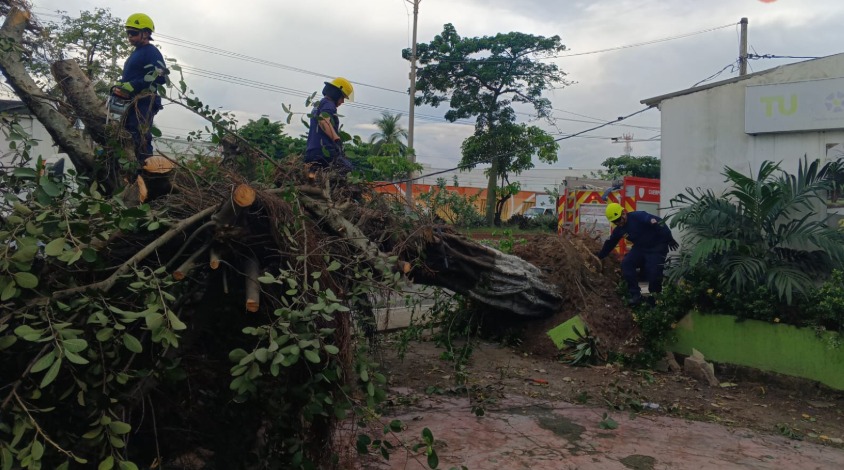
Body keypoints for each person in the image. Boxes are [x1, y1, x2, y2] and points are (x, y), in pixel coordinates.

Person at [595, 203, 679, 305]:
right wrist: (600, 256)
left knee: (652, 275)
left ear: (623, 213)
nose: (618, 223)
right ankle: (637, 295)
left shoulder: (638, 216)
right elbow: (610, 242)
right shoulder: (620, 229)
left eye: (618, 219)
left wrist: (668, 238)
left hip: (656, 249)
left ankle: (652, 301)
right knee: (627, 263)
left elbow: (658, 222)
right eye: (614, 222)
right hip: (640, 248)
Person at [111, 13, 167, 165]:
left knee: (139, 136)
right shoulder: (136, 53)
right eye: (128, 33)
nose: (130, 36)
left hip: (144, 101)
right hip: (130, 101)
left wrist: (134, 85)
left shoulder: (151, 51)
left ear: (146, 33)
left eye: (134, 33)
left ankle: (146, 173)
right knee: (124, 135)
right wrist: (122, 87)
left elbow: (161, 76)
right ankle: (128, 170)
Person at [303, 77, 355, 174]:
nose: (342, 101)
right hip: (324, 153)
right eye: (342, 97)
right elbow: (323, 120)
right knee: (348, 170)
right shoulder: (329, 104)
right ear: (336, 94)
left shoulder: (318, 106)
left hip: (311, 153)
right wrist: (336, 138)